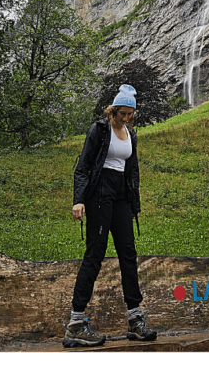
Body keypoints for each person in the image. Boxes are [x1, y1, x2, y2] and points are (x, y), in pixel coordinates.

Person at [63, 84, 158, 347]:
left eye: (130, 114)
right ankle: (75, 323)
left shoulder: (131, 134)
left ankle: (135, 319)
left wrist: (134, 203)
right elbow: (83, 167)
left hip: (121, 198)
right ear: (113, 110)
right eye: (122, 113)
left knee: (128, 254)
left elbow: (133, 170)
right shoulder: (100, 130)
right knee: (95, 254)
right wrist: (79, 200)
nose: (126, 118)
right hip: (99, 195)